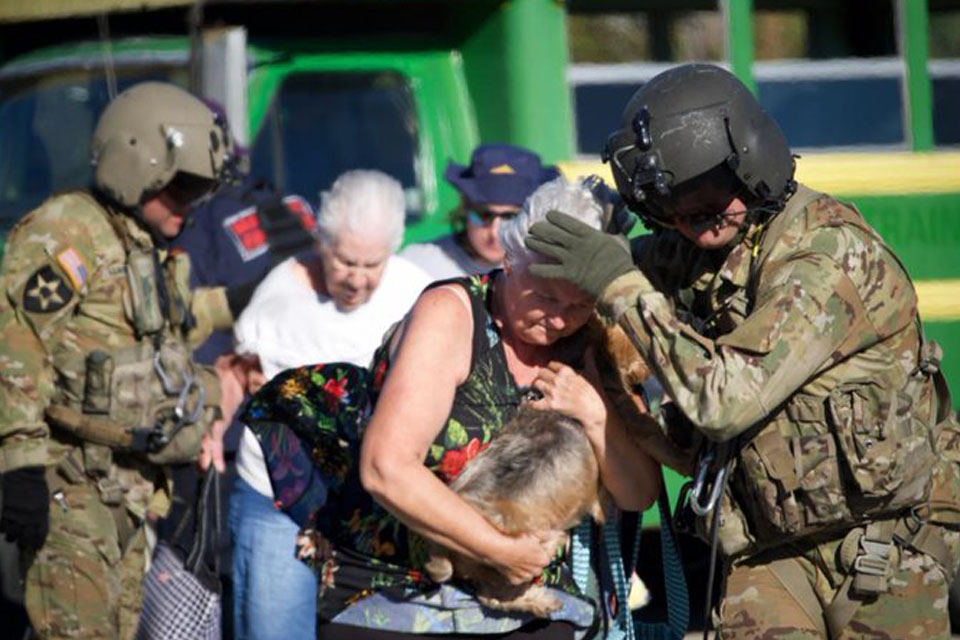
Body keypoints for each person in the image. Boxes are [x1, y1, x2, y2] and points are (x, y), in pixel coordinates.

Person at [525, 63, 960, 639]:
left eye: (710, 197)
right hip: (765, 544)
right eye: (675, 206)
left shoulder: (827, 257)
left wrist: (619, 286)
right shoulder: (705, 246)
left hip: (882, 538)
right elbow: (603, 274)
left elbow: (724, 400)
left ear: (753, 166)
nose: (696, 221)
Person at [243, 175, 661, 639]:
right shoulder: (451, 315)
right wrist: (500, 550)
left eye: (579, 305)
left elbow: (638, 493)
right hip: (399, 594)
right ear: (509, 257)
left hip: (536, 601)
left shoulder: (594, 344)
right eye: (545, 296)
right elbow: (386, 468)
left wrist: (596, 414)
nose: (560, 318)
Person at [0, 82, 243, 640]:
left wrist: (244, 298)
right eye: (181, 189)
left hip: (128, 489)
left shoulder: (138, 241)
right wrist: (21, 466)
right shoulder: (68, 232)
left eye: (200, 191)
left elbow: (165, 327)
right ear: (137, 169)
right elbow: (17, 344)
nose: (191, 206)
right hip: (71, 484)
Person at [225, 169, 430, 640]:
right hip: (277, 497)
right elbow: (236, 369)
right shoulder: (281, 290)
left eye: (371, 265)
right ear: (322, 242)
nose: (357, 280)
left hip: (376, 504)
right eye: (344, 261)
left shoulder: (417, 294)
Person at [400, 143, 559, 280]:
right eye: (483, 215)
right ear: (464, 210)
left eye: (512, 217)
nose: (495, 232)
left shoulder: (551, 271)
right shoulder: (416, 265)